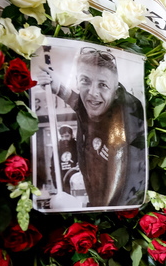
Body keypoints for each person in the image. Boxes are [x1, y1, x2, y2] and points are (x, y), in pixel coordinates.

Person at [38, 47, 146, 208]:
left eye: (102, 84)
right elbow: (79, 104)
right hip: (95, 203)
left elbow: (129, 188)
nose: (92, 93)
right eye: (85, 81)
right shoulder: (91, 108)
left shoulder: (127, 122)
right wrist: (58, 87)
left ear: (116, 93)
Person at [50, 124, 78, 194]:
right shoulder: (57, 148)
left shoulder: (77, 146)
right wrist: (55, 182)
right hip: (62, 180)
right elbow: (53, 166)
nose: (64, 138)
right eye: (62, 136)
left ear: (72, 135)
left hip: (76, 179)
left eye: (67, 136)